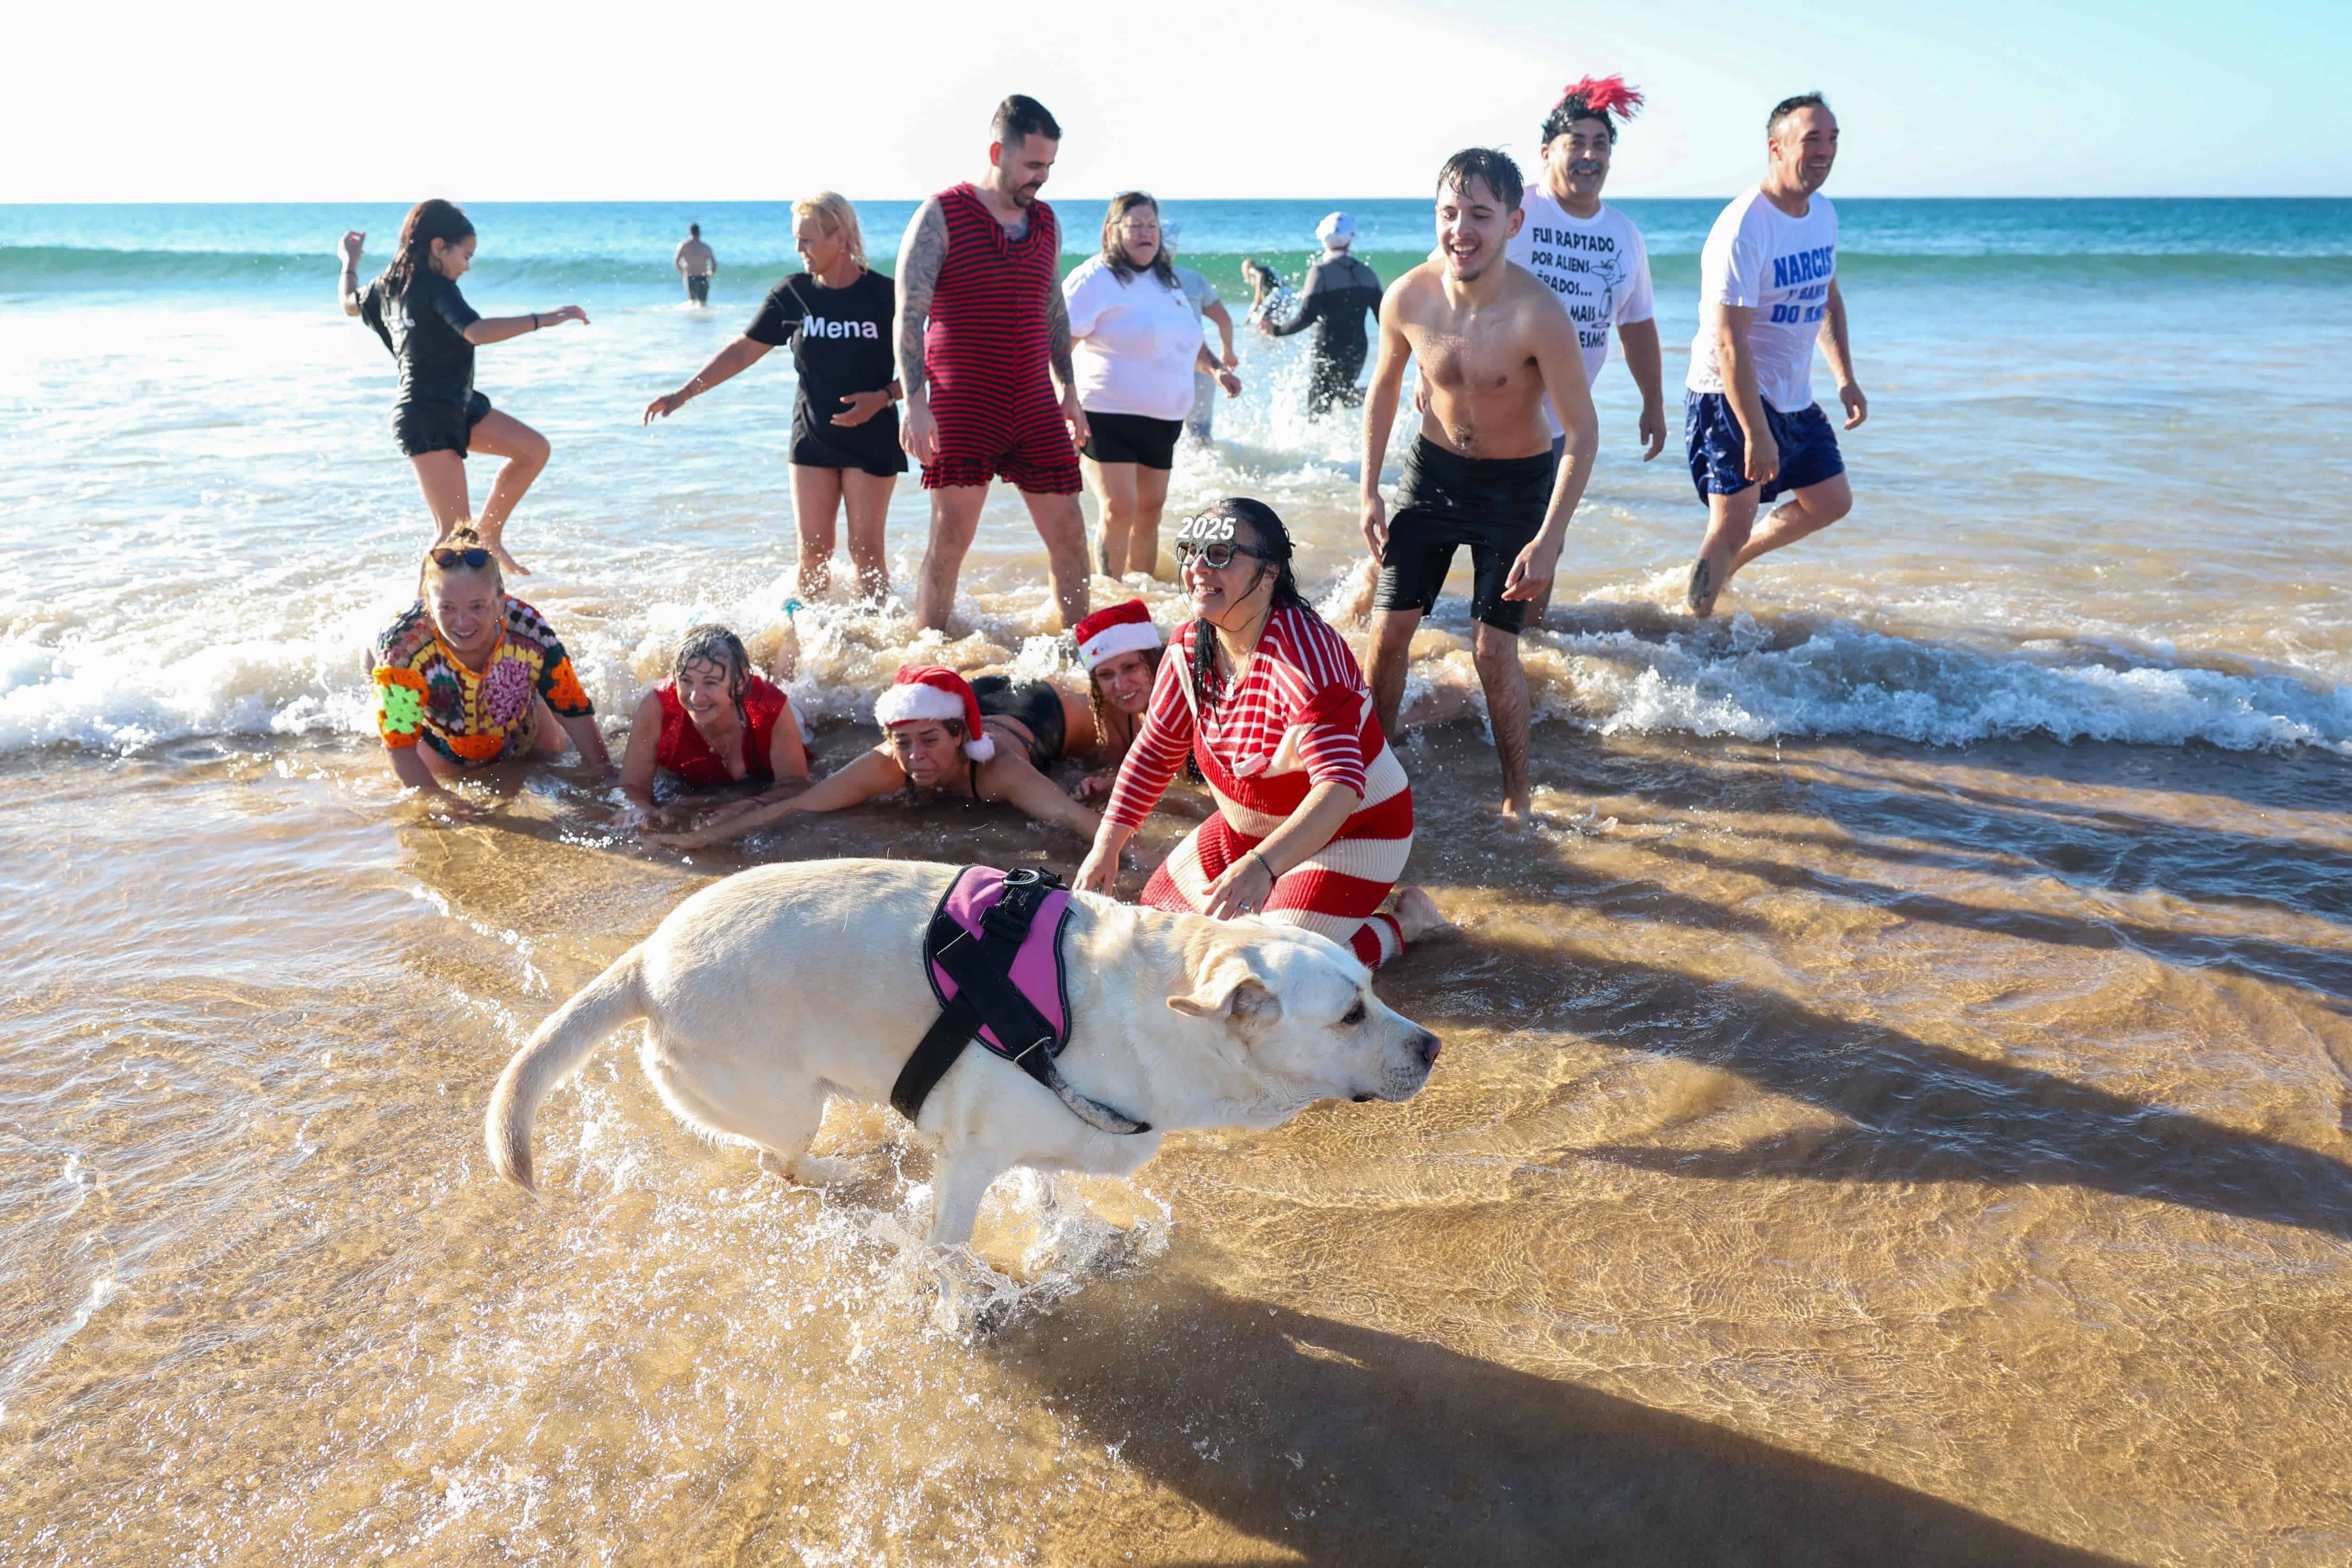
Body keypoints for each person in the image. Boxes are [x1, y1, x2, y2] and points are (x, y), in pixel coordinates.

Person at [1074, 498, 1453, 970]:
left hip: (1356, 832)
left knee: (1264, 968)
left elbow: (1339, 789)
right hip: (1248, 830)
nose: (1196, 568)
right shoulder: (1188, 645)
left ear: (1270, 570)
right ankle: (1312, 910)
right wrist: (1105, 848)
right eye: (1191, 551)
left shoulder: (1305, 655)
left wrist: (1260, 869)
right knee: (1158, 939)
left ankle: (1405, 926)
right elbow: (1154, 752)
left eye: (1219, 554)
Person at [1359, 150, 1600, 820]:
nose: (1461, 229)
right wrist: (1370, 491)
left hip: (1515, 488)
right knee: (1387, 633)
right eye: (1449, 213)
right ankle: (1374, 784)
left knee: (1494, 650)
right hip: (1431, 476)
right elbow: (1382, 395)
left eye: (1480, 215)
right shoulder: (1408, 296)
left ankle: (1517, 798)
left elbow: (1582, 434)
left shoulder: (1538, 314)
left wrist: (1551, 540)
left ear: (1514, 222)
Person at [893, 95, 1092, 633]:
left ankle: (1083, 653)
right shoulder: (941, 215)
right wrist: (914, 405)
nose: (1041, 178)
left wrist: (1068, 392)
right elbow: (908, 317)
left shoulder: (1046, 222)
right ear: (996, 153)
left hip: (1034, 404)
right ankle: (927, 654)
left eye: (1048, 166)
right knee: (950, 541)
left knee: (1071, 533)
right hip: (963, 407)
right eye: (1032, 165)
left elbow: (1053, 310)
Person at [644, 193, 905, 600]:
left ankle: (875, 644)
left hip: (873, 438)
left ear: (841, 237)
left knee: (866, 554)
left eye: (808, 239)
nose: (799, 249)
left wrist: (885, 397)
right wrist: (684, 393)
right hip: (813, 437)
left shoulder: (885, 296)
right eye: (797, 239)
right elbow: (745, 350)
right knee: (813, 553)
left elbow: (927, 363)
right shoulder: (793, 294)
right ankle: (812, 640)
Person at [1683, 92, 1867, 617]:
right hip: (1729, 394)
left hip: (1792, 394)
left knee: (1830, 502)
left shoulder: (1822, 214)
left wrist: (1844, 377)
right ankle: (1691, 632)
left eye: (1832, 139)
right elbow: (1728, 340)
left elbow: (1825, 297)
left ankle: (1729, 566)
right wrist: (1756, 433)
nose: (1825, 150)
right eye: (1812, 139)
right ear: (1776, 146)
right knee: (1730, 523)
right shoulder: (1744, 226)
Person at [339, 202, 588, 578]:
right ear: (439, 246)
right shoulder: (437, 285)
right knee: (452, 535)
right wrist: (545, 320)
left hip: (457, 406)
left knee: (533, 450)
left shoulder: (383, 287)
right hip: (425, 414)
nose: (467, 266)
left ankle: (488, 531)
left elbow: (348, 303)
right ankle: (419, 619)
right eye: (466, 255)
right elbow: (476, 331)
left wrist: (349, 262)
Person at [644, 665, 1100, 850]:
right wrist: (697, 842)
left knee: (1107, 740)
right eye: (904, 744)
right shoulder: (888, 763)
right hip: (961, 697)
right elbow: (798, 805)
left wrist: (1146, 858)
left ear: (959, 736)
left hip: (1043, 711)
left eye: (928, 742)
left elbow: (1075, 817)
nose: (915, 758)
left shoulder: (1000, 770)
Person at [370, 527, 610, 819]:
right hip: (440, 737)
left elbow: (573, 709)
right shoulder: (403, 646)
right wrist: (434, 795)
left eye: (477, 606)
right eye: (447, 607)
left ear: (500, 601)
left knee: (551, 754)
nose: (462, 622)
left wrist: (605, 774)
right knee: (438, 780)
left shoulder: (530, 629)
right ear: (428, 607)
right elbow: (399, 744)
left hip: (519, 723)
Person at [1065, 193, 1243, 579]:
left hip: (1163, 419)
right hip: (1105, 413)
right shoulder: (1096, 277)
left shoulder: (1168, 282)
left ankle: (1140, 593)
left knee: (1151, 509)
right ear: (1113, 231)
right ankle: (1108, 595)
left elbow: (1189, 340)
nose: (1147, 233)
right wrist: (1066, 399)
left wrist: (1216, 370)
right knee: (1119, 507)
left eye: (1152, 226)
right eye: (1136, 226)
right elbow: (1057, 342)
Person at [618, 624, 813, 823]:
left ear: (741, 683)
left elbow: (796, 785)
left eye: (710, 682)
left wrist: (748, 805)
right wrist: (641, 812)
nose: (696, 697)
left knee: (786, 683)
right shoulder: (657, 707)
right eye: (686, 680)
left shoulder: (769, 706)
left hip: (775, 712)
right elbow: (631, 788)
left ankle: (790, 631)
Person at [1256, 211, 1383, 418]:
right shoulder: (1366, 273)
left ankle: (1316, 448)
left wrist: (1276, 330)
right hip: (1358, 349)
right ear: (1351, 239)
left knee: (1318, 406)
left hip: (1328, 349)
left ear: (1324, 239)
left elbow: (1306, 317)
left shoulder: (1320, 272)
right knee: (1345, 395)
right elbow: (1384, 319)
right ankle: (1381, 397)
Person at [1068, 598, 1165, 801]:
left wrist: (1122, 787)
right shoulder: (1112, 707)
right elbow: (1114, 764)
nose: (1120, 686)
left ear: (1155, 663)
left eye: (1131, 667)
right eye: (1106, 675)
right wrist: (1099, 784)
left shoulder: (1181, 704)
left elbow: (1199, 793)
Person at [1164, 220, 1239, 445]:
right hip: (1201, 366)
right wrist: (1228, 354)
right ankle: (1208, 476)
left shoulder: (1138, 283)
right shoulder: (1193, 279)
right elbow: (1224, 320)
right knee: (1200, 432)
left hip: (1162, 369)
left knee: (1160, 434)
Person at [675, 223, 715, 305]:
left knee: (693, 302)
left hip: (690, 277)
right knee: (703, 304)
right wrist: (711, 273)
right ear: (699, 233)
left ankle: (693, 318)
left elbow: (677, 261)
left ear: (690, 232)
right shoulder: (706, 247)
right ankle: (703, 317)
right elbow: (714, 264)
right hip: (703, 277)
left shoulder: (684, 246)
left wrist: (683, 272)